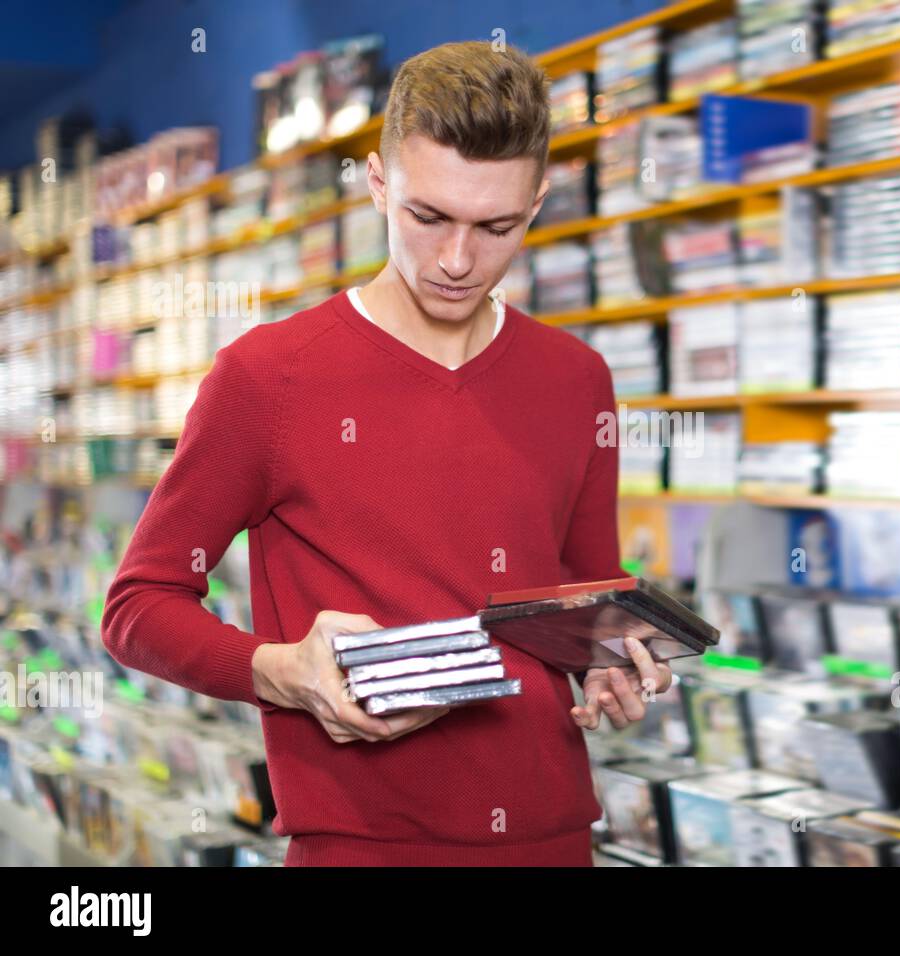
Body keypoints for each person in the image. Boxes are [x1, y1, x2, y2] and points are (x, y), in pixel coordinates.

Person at [101, 40, 671, 866]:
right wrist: (283, 669)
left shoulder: (576, 378)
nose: (457, 261)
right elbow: (137, 607)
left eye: (497, 226)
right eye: (428, 216)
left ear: (539, 203)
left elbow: (581, 603)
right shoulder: (268, 378)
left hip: (552, 836)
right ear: (376, 182)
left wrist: (612, 660)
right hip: (357, 844)